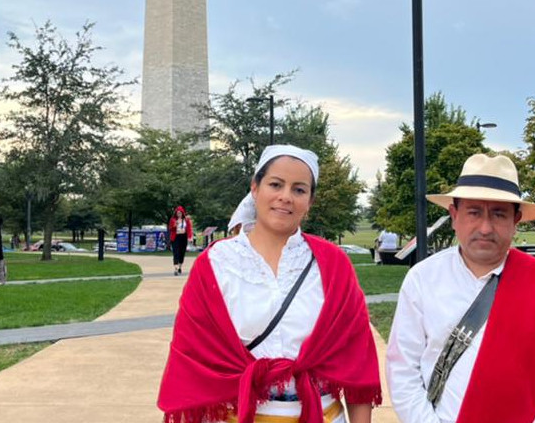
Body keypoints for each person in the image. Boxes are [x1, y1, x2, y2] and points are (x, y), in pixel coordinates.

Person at [158, 144, 381, 423]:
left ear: (310, 201)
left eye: (299, 189)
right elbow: (191, 361)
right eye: (276, 184)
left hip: (322, 414)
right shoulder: (215, 264)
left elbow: (357, 361)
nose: (285, 197)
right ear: (255, 188)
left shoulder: (333, 264)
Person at [387, 153, 535, 423]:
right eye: (474, 212)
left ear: (515, 220)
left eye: (498, 214)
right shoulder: (422, 279)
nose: (485, 227)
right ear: (454, 214)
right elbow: (403, 370)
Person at [169, 205, 195, 276]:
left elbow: (189, 229)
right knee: (176, 253)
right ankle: (176, 269)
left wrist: (190, 237)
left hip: (183, 237)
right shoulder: (173, 219)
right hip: (175, 237)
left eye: (180, 213)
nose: (179, 214)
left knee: (182, 253)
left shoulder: (186, 220)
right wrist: (175, 224)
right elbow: (170, 228)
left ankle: (180, 266)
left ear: (182, 213)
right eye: (178, 213)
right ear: (176, 213)